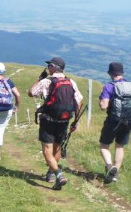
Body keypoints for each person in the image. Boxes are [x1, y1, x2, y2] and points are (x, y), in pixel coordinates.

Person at [28, 57, 83, 190]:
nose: (48, 68)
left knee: (47, 149)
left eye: (49, 66)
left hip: (49, 120)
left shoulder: (47, 81)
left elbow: (31, 93)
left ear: (53, 67)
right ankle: (51, 173)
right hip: (64, 120)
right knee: (57, 148)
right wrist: (74, 121)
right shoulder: (71, 82)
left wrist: (40, 79)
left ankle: (58, 175)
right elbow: (79, 101)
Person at [98, 62, 131, 184]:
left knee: (104, 145)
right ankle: (115, 174)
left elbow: (103, 106)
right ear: (122, 73)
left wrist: (101, 100)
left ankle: (110, 167)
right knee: (119, 146)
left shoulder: (109, 87)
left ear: (110, 73)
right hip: (128, 121)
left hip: (113, 120)